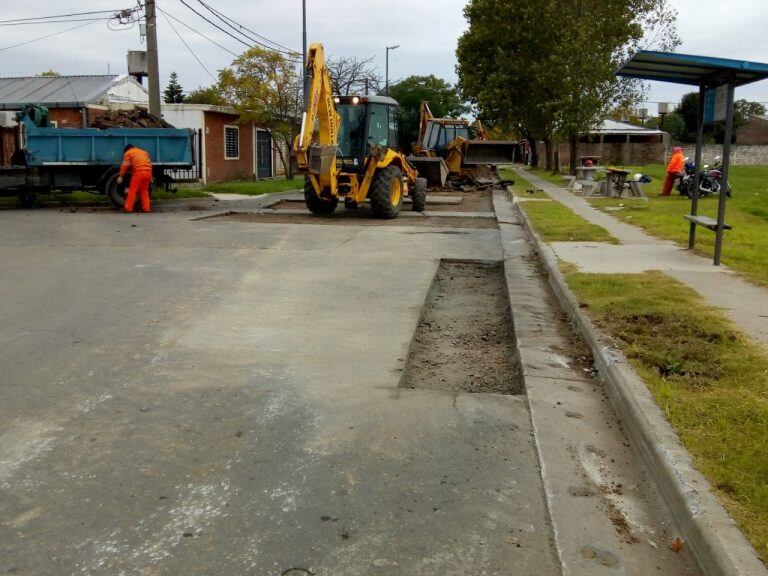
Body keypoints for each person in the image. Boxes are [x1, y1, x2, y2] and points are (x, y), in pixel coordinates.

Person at [117, 144, 153, 212]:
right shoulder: (144, 152)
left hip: (139, 173)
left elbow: (125, 165)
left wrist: (121, 176)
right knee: (144, 191)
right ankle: (146, 208)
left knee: (132, 191)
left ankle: (128, 208)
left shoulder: (128, 153)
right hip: (148, 172)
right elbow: (149, 164)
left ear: (126, 150)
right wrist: (150, 176)